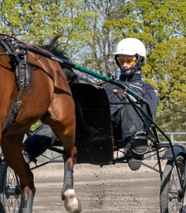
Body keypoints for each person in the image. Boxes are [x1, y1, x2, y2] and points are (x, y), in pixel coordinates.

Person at [23, 37, 158, 171]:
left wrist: (130, 102)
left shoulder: (148, 89)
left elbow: (148, 115)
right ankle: (27, 150)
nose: (125, 65)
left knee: (130, 110)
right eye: (122, 60)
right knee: (60, 117)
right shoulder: (107, 84)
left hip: (120, 129)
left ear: (140, 60)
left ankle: (134, 150)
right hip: (93, 123)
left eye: (129, 60)